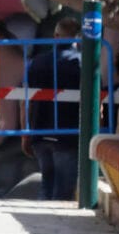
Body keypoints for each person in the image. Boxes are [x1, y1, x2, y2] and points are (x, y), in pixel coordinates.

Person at [23, 15, 82, 201]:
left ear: (56, 36)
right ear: (78, 37)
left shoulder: (38, 62)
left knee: (46, 187)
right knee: (63, 194)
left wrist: (27, 132)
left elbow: (28, 99)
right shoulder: (83, 64)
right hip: (69, 135)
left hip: (41, 132)